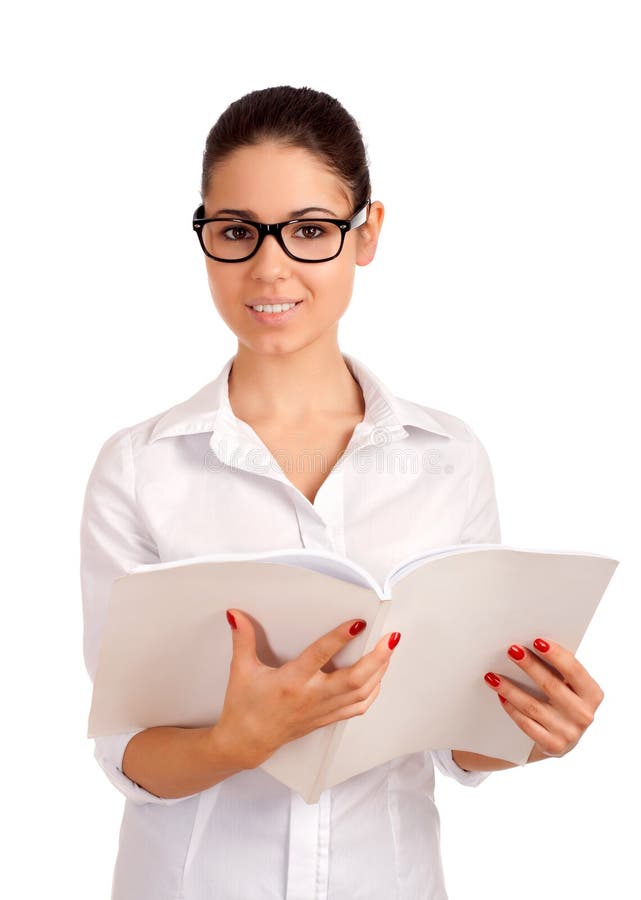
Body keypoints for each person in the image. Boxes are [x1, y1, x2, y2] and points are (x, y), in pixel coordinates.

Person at [80, 85, 605, 900]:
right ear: (207, 237)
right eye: (235, 232)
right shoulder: (140, 469)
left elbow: (458, 742)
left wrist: (530, 732)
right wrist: (236, 741)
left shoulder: (448, 459)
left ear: (367, 235)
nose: (270, 266)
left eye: (311, 231)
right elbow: (125, 747)